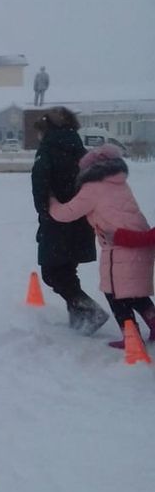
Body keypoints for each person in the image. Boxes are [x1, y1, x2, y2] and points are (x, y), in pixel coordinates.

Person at [49, 144, 155, 347]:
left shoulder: (92, 188)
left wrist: (51, 201)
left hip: (121, 247)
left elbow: (66, 213)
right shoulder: (119, 183)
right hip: (142, 242)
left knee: (115, 294)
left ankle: (131, 337)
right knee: (134, 292)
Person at [30, 107, 108, 334]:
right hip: (81, 218)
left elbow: (40, 186)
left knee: (52, 273)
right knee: (67, 270)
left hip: (56, 219)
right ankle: (78, 319)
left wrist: (45, 213)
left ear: (47, 129)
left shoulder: (47, 151)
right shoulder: (80, 150)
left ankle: (89, 310)